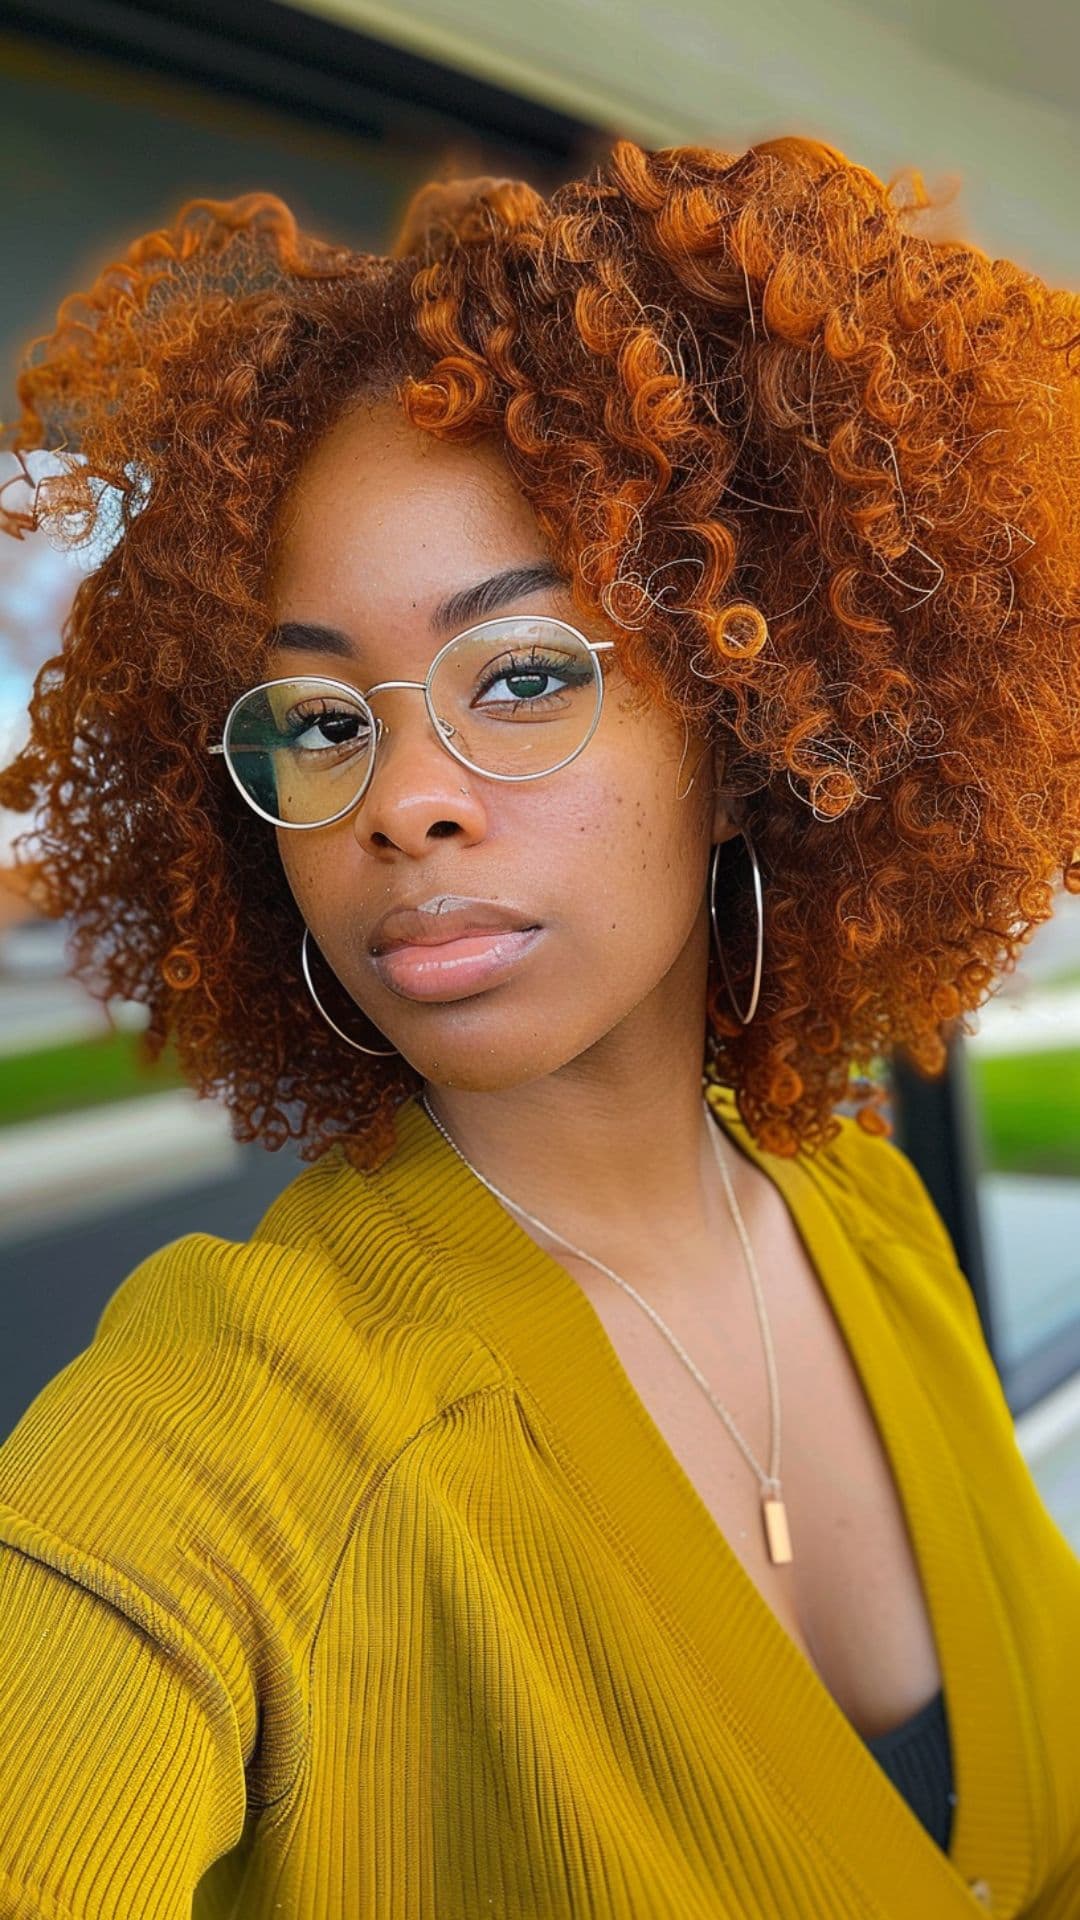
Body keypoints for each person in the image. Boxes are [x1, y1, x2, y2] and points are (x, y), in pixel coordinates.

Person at [0, 134, 1078, 1920]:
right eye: (321, 720)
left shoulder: (866, 1215)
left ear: (744, 733)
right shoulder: (235, 1413)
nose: (401, 799)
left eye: (522, 675)